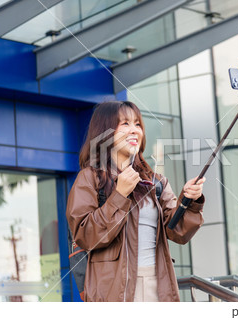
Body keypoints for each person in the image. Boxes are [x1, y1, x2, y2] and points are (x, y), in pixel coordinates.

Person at [66, 101, 205, 302]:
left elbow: (178, 232)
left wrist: (190, 200)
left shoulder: (156, 181)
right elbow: (85, 235)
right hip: (114, 290)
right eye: (125, 124)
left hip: (158, 284)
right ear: (105, 131)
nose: (134, 131)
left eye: (138, 124)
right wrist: (119, 195)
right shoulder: (89, 178)